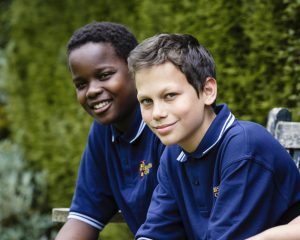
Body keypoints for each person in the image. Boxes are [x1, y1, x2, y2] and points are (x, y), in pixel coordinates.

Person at [128, 33, 300, 239]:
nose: (157, 113)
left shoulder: (245, 148)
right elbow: (156, 232)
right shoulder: (173, 155)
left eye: (170, 95)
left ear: (208, 91)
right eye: (147, 101)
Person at [55, 22, 165, 240]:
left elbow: (170, 224)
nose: (92, 91)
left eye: (104, 75)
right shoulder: (103, 132)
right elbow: (83, 216)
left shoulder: (165, 124)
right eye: (81, 84)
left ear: (134, 71)